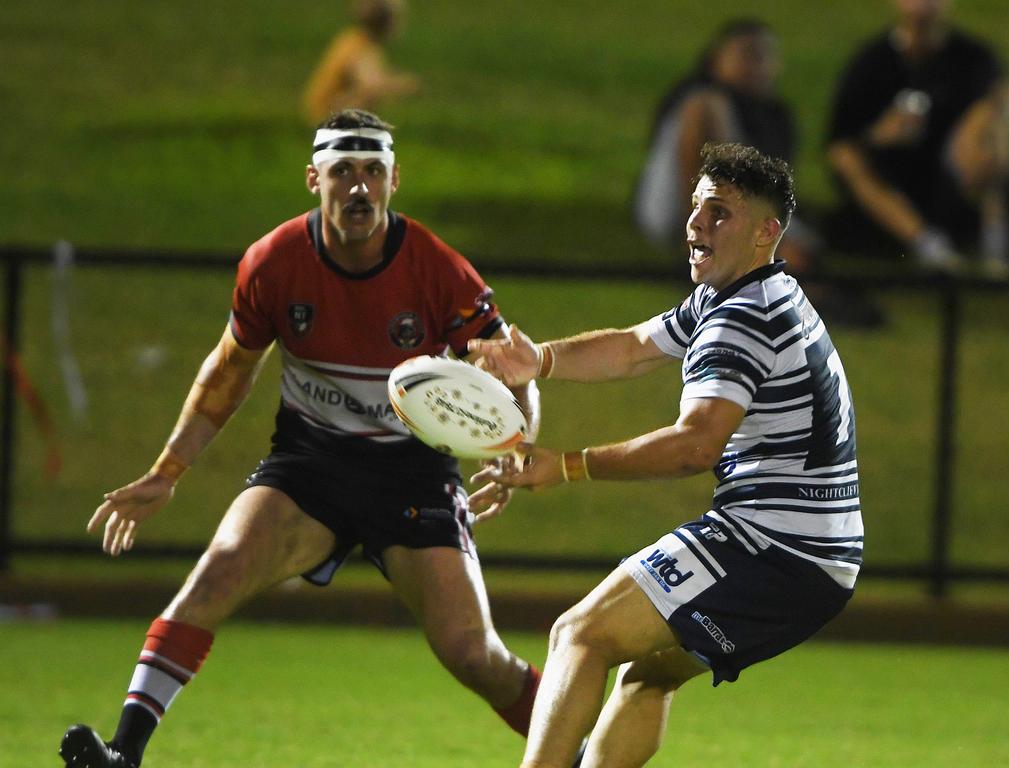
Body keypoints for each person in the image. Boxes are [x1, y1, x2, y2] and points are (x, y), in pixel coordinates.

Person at [58, 109, 542, 768]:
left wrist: (519, 448)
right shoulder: (274, 263)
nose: (359, 187)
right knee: (218, 571)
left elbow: (513, 374)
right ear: (313, 177)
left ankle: (590, 752)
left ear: (395, 179)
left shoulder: (437, 270)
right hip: (309, 467)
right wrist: (167, 470)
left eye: (373, 170)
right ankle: (124, 754)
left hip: (412, 475)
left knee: (473, 656)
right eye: (343, 170)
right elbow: (228, 373)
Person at [473, 143, 863, 768]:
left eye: (720, 212)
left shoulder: (744, 318)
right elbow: (631, 348)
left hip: (774, 547)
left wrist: (568, 465)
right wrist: (538, 358)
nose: (697, 223)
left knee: (580, 633)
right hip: (819, 558)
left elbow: (694, 445)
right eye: (695, 207)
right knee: (647, 672)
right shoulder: (746, 293)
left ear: (767, 232)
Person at [825, 0, 1009, 274]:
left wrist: (979, 124)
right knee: (848, 158)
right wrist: (881, 134)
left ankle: (995, 236)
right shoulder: (872, 62)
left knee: (992, 123)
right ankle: (928, 245)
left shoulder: (973, 57)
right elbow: (841, 139)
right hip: (893, 178)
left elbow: (1003, 97)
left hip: (956, 175)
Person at [633, 19, 816, 276]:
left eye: (765, 56)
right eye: (747, 54)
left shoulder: (776, 115)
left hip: (744, 210)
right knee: (706, 106)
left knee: (797, 249)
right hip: (677, 209)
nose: (758, 65)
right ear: (716, 58)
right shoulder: (701, 97)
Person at [302, 0, 419, 125]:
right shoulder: (361, 48)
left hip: (324, 114)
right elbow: (370, 85)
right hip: (326, 117)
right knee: (369, 94)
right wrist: (402, 85)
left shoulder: (353, 40)